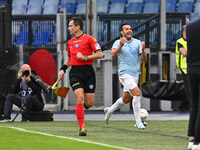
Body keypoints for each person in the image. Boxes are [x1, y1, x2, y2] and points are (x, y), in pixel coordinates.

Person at [58, 17, 103, 136]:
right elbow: (69, 58)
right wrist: (63, 69)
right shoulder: (70, 42)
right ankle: (82, 128)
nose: (68, 28)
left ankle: (83, 107)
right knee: (79, 98)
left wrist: (86, 57)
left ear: (78, 27)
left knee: (89, 103)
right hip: (75, 73)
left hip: (88, 72)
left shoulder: (90, 39)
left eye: (70, 26)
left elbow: (100, 54)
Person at [104, 23, 147, 129]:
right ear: (122, 32)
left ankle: (109, 110)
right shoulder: (118, 42)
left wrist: (143, 49)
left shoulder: (137, 42)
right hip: (124, 74)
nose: (129, 31)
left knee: (126, 99)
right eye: (126, 29)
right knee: (137, 93)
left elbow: (144, 59)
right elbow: (113, 55)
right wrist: (121, 45)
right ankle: (138, 121)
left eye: (130, 29)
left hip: (135, 74)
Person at [186, 18, 200, 150]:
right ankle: (197, 141)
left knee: (194, 103)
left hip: (191, 68)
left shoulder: (189, 27)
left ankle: (191, 138)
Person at [175, 25, 191, 111]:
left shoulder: (192, 40)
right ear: (183, 33)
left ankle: (185, 105)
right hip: (184, 68)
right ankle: (189, 105)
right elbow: (183, 52)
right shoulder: (180, 41)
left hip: (192, 67)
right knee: (188, 87)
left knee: (189, 87)